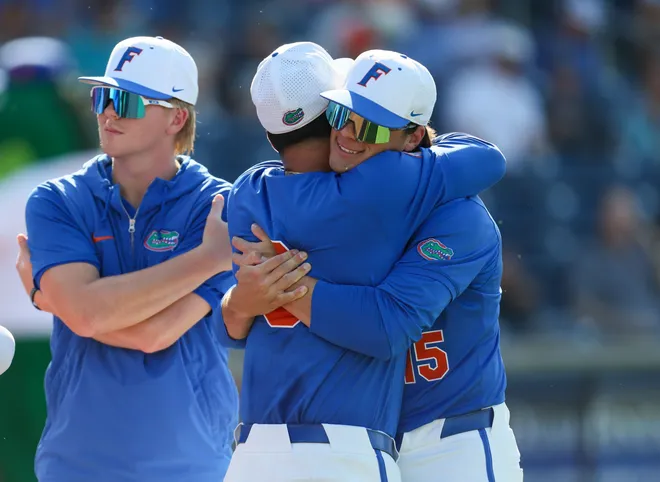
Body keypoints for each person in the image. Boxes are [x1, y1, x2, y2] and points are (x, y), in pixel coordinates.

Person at [15, 36, 300, 482]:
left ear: (177, 117)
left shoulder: (221, 205)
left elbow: (154, 333)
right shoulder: (56, 200)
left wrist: (61, 301)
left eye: (126, 101)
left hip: (189, 466)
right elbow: (89, 316)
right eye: (102, 96)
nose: (108, 112)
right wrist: (208, 257)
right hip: (74, 463)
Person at [228, 51, 523, 481]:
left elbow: (386, 325)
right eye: (340, 112)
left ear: (410, 139)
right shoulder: (323, 195)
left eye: (368, 125)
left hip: (452, 442)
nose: (347, 133)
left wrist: (283, 285)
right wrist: (241, 301)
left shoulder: (459, 217)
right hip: (369, 440)